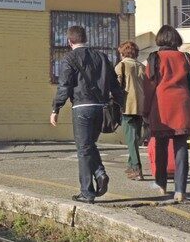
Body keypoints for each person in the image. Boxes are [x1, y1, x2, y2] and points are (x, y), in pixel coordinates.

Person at [50, 26, 124, 204]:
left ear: (69, 41)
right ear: (85, 38)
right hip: (101, 108)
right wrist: (120, 105)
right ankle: (99, 173)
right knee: (89, 145)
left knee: (83, 150)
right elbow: (114, 84)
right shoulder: (102, 56)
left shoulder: (69, 58)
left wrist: (56, 108)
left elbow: (64, 86)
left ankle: (87, 192)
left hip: (82, 108)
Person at [144, 25, 190, 203]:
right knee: (181, 148)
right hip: (183, 106)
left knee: (160, 146)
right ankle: (180, 190)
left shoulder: (155, 58)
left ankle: (161, 184)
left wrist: (145, 111)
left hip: (162, 106)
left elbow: (149, 85)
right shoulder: (186, 57)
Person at [115, 41, 146, 181]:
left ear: (122, 53)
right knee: (134, 138)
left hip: (127, 106)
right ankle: (130, 165)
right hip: (141, 106)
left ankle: (136, 168)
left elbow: (116, 86)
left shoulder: (121, 65)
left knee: (131, 139)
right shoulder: (142, 66)